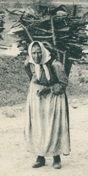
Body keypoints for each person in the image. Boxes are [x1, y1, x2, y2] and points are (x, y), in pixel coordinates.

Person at [24, 41, 70, 169]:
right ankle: (40, 157)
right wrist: (37, 87)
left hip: (53, 98)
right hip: (37, 97)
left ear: (43, 52)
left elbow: (64, 83)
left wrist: (48, 89)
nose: (36, 56)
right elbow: (31, 76)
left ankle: (56, 157)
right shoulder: (30, 64)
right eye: (33, 53)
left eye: (39, 52)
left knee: (53, 127)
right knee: (38, 126)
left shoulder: (55, 64)